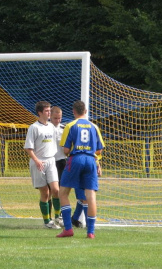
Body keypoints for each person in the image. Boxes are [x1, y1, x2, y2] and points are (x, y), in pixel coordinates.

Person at [57, 100, 104, 239]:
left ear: (73, 112)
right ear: (86, 111)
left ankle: (68, 229)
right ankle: (90, 232)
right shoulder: (94, 126)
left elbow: (65, 150)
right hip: (91, 160)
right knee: (91, 196)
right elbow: (99, 150)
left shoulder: (70, 125)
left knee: (63, 193)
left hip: (75, 159)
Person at [24, 101, 61, 229]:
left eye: (50, 110)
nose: (49, 112)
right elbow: (28, 148)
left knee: (56, 190)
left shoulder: (51, 126)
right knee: (45, 193)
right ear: (40, 113)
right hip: (38, 162)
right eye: (46, 111)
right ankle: (47, 221)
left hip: (51, 161)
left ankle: (58, 216)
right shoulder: (34, 128)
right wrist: (37, 160)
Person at [51, 106, 86, 228]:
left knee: (63, 190)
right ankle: (52, 218)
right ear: (50, 116)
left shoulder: (65, 128)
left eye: (60, 117)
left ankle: (62, 216)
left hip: (63, 161)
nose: (58, 120)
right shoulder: (46, 128)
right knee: (51, 191)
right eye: (55, 117)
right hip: (50, 162)